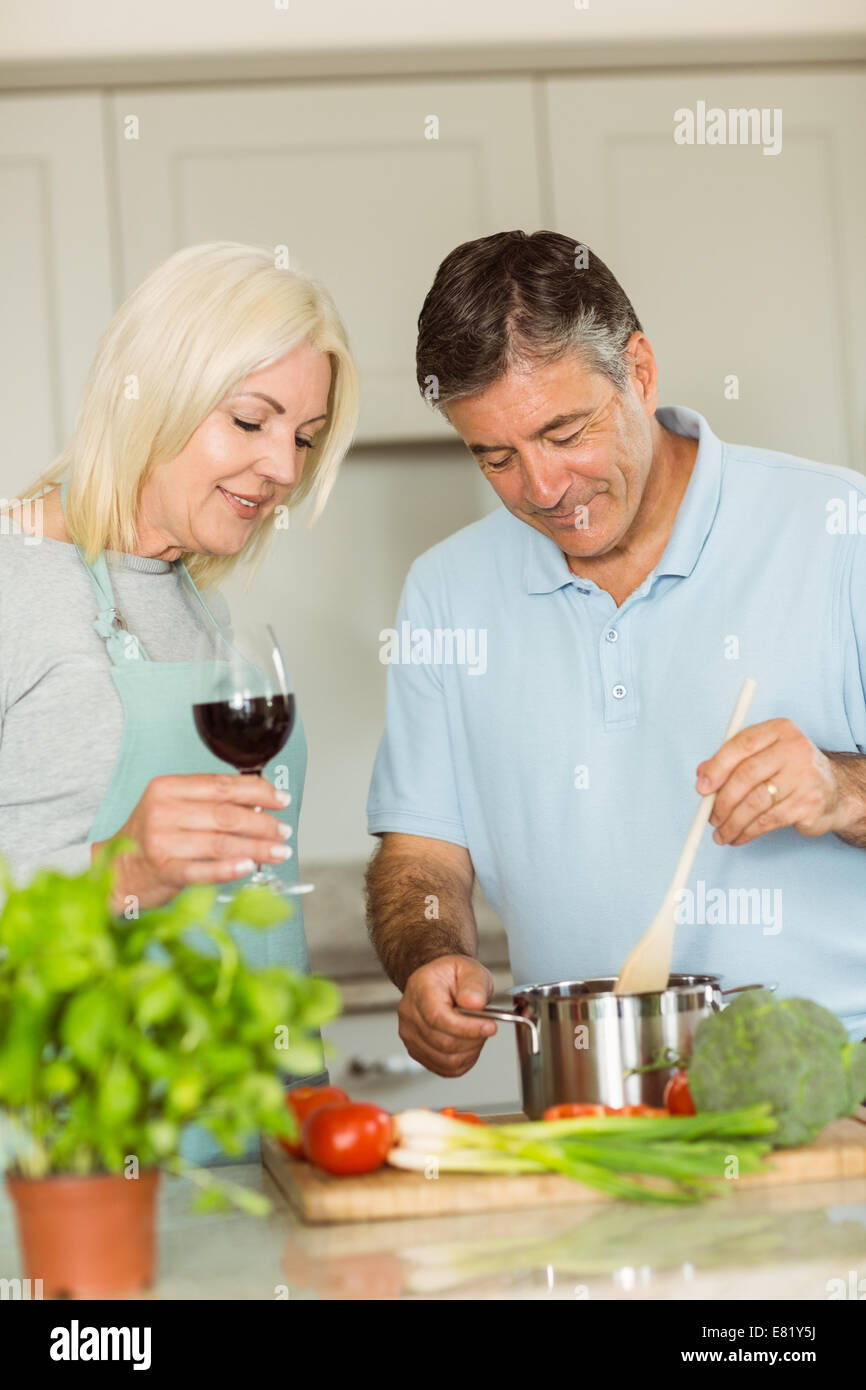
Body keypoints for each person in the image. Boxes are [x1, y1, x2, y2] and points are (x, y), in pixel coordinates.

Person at [365, 229, 866, 1083]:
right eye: (496, 456)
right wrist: (427, 956)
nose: (544, 489)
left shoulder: (839, 530)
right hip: (589, 1105)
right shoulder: (446, 591)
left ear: (638, 370)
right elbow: (422, 855)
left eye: (565, 431)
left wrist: (842, 789)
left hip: (839, 1108)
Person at [0, 241, 359, 1157]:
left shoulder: (200, 605)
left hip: (255, 1141)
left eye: (304, 437)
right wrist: (117, 874)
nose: (283, 466)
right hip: (73, 1166)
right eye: (250, 421)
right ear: (151, 393)